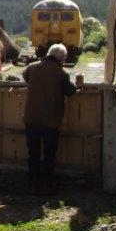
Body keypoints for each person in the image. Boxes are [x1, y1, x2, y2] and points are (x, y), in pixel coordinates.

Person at [22, 43, 77, 195]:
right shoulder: (61, 73)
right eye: (64, 58)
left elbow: (25, 76)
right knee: (49, 155)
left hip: (31, 118)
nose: (65, 60)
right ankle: (47, 187)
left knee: (33, 154)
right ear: (60, 58)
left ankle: (32, 185)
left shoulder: (32, 67)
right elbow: (71, 91)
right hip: (51, 121)